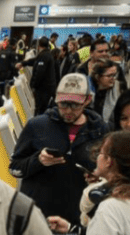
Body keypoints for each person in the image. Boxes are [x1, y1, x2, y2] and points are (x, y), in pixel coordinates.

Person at [9, 73, 110, 226]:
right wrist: (38, 160)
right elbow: (15, 168)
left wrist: (99, 178)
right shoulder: (37, 126)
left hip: (77, 217)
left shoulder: (100, 130)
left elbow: (111, 174)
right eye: (63, 104)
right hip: (38, 215)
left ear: (87, 100)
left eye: (75, 105)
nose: (68, 111)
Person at [89, 59, 121, 124]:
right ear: (97, 77)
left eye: (114, 75)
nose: (113, 79)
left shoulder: (115, 90)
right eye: (109, 76)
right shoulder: (89, 91)